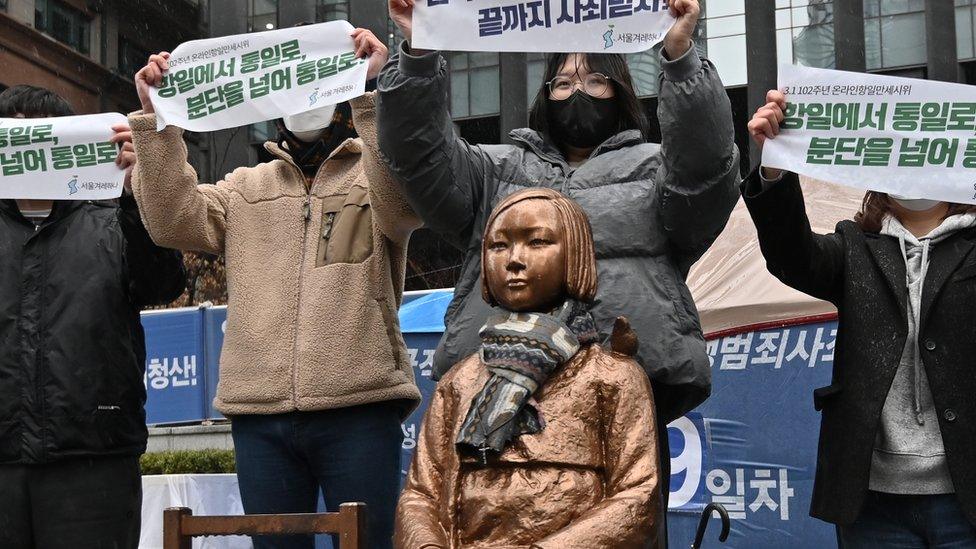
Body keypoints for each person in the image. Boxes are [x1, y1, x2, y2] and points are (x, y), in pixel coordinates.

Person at [380, 1, 739, 532]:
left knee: (621, 527)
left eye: (595, 79)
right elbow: (419, 156)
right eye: (564, 81)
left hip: (621, 394)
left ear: (621, 89)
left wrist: (682, 58)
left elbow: (707, 169)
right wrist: (417, 55)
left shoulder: (655, 168)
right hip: (496, 385)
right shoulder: (494, 170)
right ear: (544, 93)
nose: (578, 91)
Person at [128, 29, 421, 549]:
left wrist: (372, 92)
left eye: (318, 83)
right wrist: (158, 120)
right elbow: (173, 221)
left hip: (359, 403)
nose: (304, 102)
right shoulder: (245, 187)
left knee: (371, 542)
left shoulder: (374, 176)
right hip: (258, 411)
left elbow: (403, 207)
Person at [745, 90, 976, 547]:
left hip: (965, 495)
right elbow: (793, 255)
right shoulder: (855, 247)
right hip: (872, 502)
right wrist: (775, 164)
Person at [396, 188, 660, 548]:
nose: (514, 260)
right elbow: (420, 494)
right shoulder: (461, 380)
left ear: (575, 255)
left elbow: (638, 494)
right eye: (499, 246)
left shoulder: (611, 376)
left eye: (536, 242)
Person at [0, 85, 186, 548]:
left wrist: (134, 195)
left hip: (95, 458)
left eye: (45, 137)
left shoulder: (111, 219)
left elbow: (164, 283)